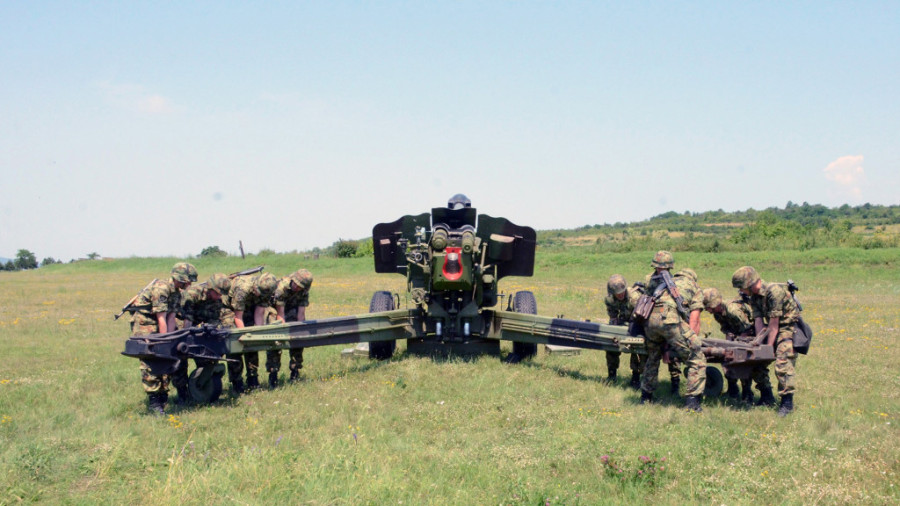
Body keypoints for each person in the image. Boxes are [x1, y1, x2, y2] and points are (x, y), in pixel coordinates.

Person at [639, 251, 706, 412]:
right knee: (696, 357)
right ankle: (692, 403)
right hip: (668, 320)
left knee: (652, 358)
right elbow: (694, 320)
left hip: (650, 322)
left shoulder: (657, 281)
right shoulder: (693, 286)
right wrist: (691, 341)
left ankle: (645, 397)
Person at [129, 262, 197, 414]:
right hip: (145, 324)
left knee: (169, 356)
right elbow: (161, 318)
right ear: (181, 278)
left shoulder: (176, 292)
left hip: (161, 322)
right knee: (151, 359)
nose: (190, 284)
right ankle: (154, 402)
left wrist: (171, 340)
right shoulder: (162, 288)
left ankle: (164, 395)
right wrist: (164, 341)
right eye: (189, 280)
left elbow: (171, 317)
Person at [732, 266, 800, 416]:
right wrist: (758, 343)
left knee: (782, 363)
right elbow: (758, 321)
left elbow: (774, 323)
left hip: (787, 328)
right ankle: (766, 396)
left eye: (741, 288)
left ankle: (786, 403)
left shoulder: (774, 292)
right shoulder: (754, 297)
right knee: (755, 359)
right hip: (771, 329)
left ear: (748, 284)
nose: (740, 292)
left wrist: (768, 348)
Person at [701, 287, 775, 406]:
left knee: (753, 367)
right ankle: (734, 391)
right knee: (729, 362)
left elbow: (747, 329)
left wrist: (738, 347)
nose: (708, 310)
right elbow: (728, 332)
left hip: (753, 337)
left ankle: (767, 398)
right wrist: (727, 349)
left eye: (709, 307)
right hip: (740, 338)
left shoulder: (733, 310)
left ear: (715, 303)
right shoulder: (717, 314)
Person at [223, 272, 279, 392]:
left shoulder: (267, 290)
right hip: (230, 310)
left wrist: (257, 334)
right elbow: (237, 316)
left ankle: (253, 379)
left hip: (248, 308)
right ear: (255, 286)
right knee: (235, 343)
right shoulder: (242, 289)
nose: (260, 294)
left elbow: (259, 313)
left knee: (253, 342)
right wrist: (244, 335)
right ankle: (237, 382)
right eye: (259, 291)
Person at [266, 269, 314, 387]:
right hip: (276, 310)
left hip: (292, 309)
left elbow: (301, 314)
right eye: (296, 285)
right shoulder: (282, 287)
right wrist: (284, 333)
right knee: (276, 339)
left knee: (298, 337)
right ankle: (273, 374)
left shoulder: (304, 291)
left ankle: (295, 372)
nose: (297, 288)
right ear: (293, 280)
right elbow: (280, 314)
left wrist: (299, 331)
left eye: (300, 287)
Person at [602, 274, 644, 387]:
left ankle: (636, 377)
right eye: (617, 293)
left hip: (637, 323)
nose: (620, 295)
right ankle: (612, 375)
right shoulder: (610, 299)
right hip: (622, 323)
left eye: (621, 292)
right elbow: (613, 315)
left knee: (637, 348)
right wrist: (614, 325)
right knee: (611, 344)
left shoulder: (635, 298)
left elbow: (642, 318)